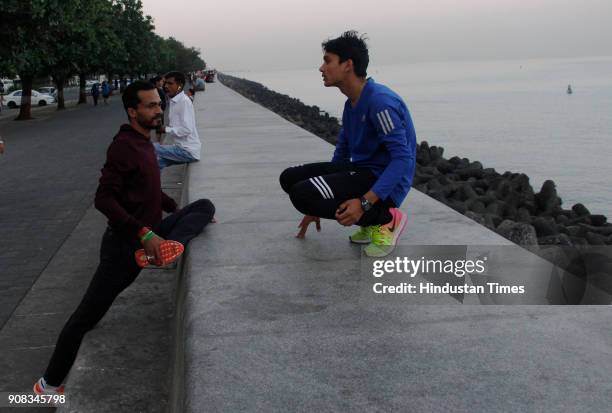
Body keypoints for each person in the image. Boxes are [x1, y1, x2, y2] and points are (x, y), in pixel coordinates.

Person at [33, 80, 216, 395]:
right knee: (86, 316)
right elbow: (104, 198)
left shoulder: (145, 142)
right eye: (150, 105)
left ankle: (169, 248)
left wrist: (173, 207)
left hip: (150, 237)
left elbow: (148, 189)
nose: (158, 109)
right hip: (124, 248)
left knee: (203, 206)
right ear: (133, 111)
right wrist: (144, 233)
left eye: (159, 103)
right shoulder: (123, 146)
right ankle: (47, 383)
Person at [279, 31, 417, 258]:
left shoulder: (379, 103)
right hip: (362, 172)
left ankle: (386, 219)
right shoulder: (352, 103)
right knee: (289, 178)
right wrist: (317, 202)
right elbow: (342, 154)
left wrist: (364, 203)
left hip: (385, 183)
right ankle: (370, 220)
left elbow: (403, 160)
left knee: (301, 194)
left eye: (327, 61)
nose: (321, 68)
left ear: (347, 65)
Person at [154, 71, 201, 169]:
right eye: (165, 83)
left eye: (170, 83)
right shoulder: (174, 101)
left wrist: (166, 129)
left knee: (149, 148)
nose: (166, 86)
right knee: (154, 166)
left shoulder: (184, 102)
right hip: (180, 148)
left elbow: (187, 129)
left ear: (180, 86)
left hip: (187, 151)